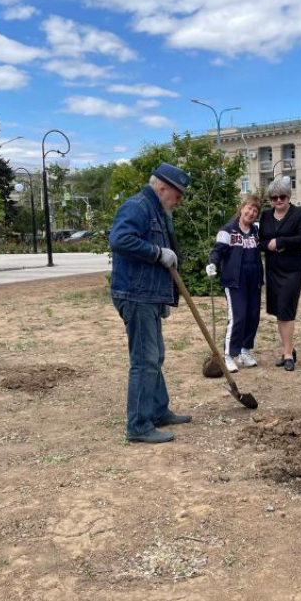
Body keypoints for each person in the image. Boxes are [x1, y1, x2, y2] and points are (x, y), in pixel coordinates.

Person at [109, 163, 193, 444]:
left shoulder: (156, 210)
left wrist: (163, 297)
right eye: (177, 195)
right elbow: (119, 239)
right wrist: (157, 252)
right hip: (135, 294)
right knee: (144, 361)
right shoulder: (138, 206)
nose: (178, 202)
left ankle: (158, 411)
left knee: (155, 357)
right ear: (161, 188)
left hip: (147, 295)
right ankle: (138, 425)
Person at [258, 178, 301, 371]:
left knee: (286, 307)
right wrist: (270, 245)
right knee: (278, 310)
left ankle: (288, 355)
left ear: (289, 196)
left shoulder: (300, 213)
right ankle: (288, 348)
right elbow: (261, 242)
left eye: (282, 196)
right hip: (273, 268)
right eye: (274, 198)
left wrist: (280, 242)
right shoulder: (265, 216)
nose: (278, 200)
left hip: (293, 269)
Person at [206, 195, 264, 373]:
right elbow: (218, 251)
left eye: (255, 210)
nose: (251, 212)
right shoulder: (228, 230)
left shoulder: (255, 231)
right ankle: (228, 355)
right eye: (249, 208)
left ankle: (245, 351)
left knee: (252, 317)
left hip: (253, 281)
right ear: (242, 208)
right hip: (234, 282)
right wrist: (212, 263)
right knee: (237, 318)